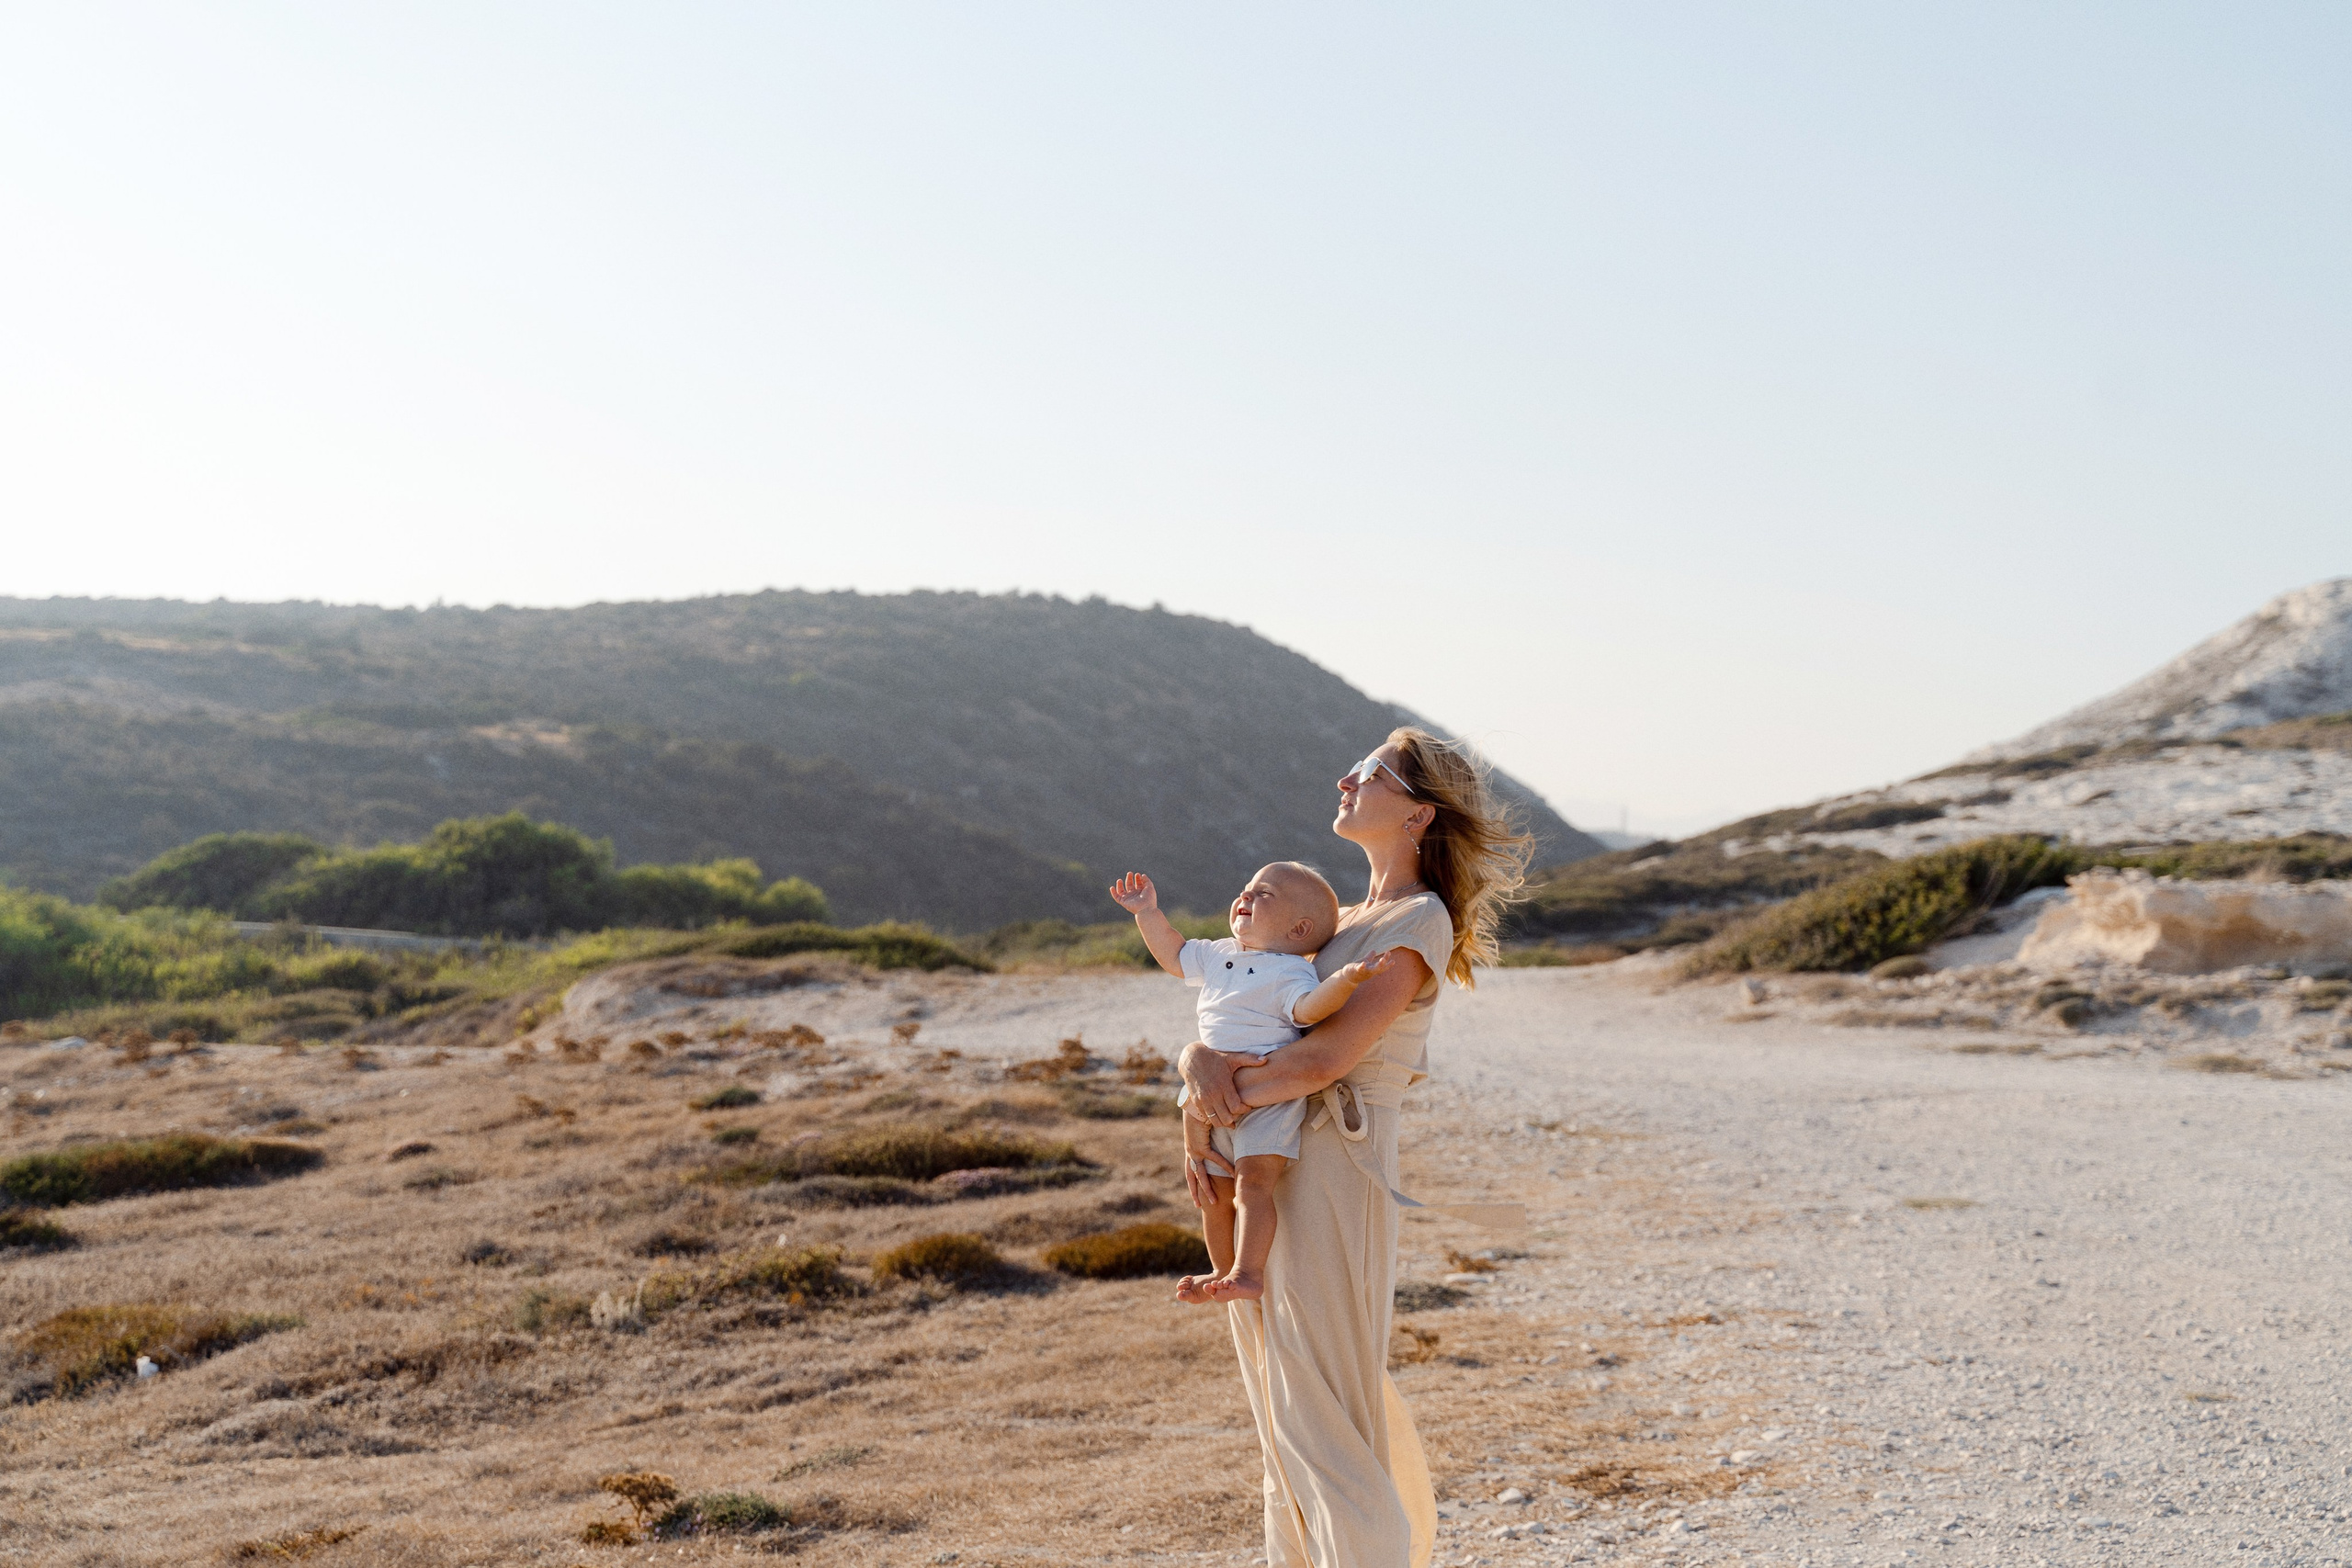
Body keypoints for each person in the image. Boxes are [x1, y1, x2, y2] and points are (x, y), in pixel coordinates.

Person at [1179, 728, 1531, 1568]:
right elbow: (1240, 1018)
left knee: (1322, 1407)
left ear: (1418, 813)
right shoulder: (1335, 921)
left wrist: (1210, 1092)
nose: (1344, 777)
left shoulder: (1416, 920)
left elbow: (1323, 1060)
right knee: (1281, 1405)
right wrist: (1196, 1062)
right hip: (1268, 1159)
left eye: (1368, 772)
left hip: (1335, 1166)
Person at [1107, 861, 1395, 1303]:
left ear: (1299, 929)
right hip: (1211, 1090)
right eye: (1247, 889)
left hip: (1269, 1097)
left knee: (1251, 1184)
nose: (1246, 897)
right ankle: (1220, 1268)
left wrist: (1346, 979)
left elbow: (1311, 1010)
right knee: (1213, 1191)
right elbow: (1173, 954)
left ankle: (1247, 1271)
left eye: (1265, 895)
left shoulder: (1291, 971)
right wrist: (1147, 912)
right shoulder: (1220, 952)